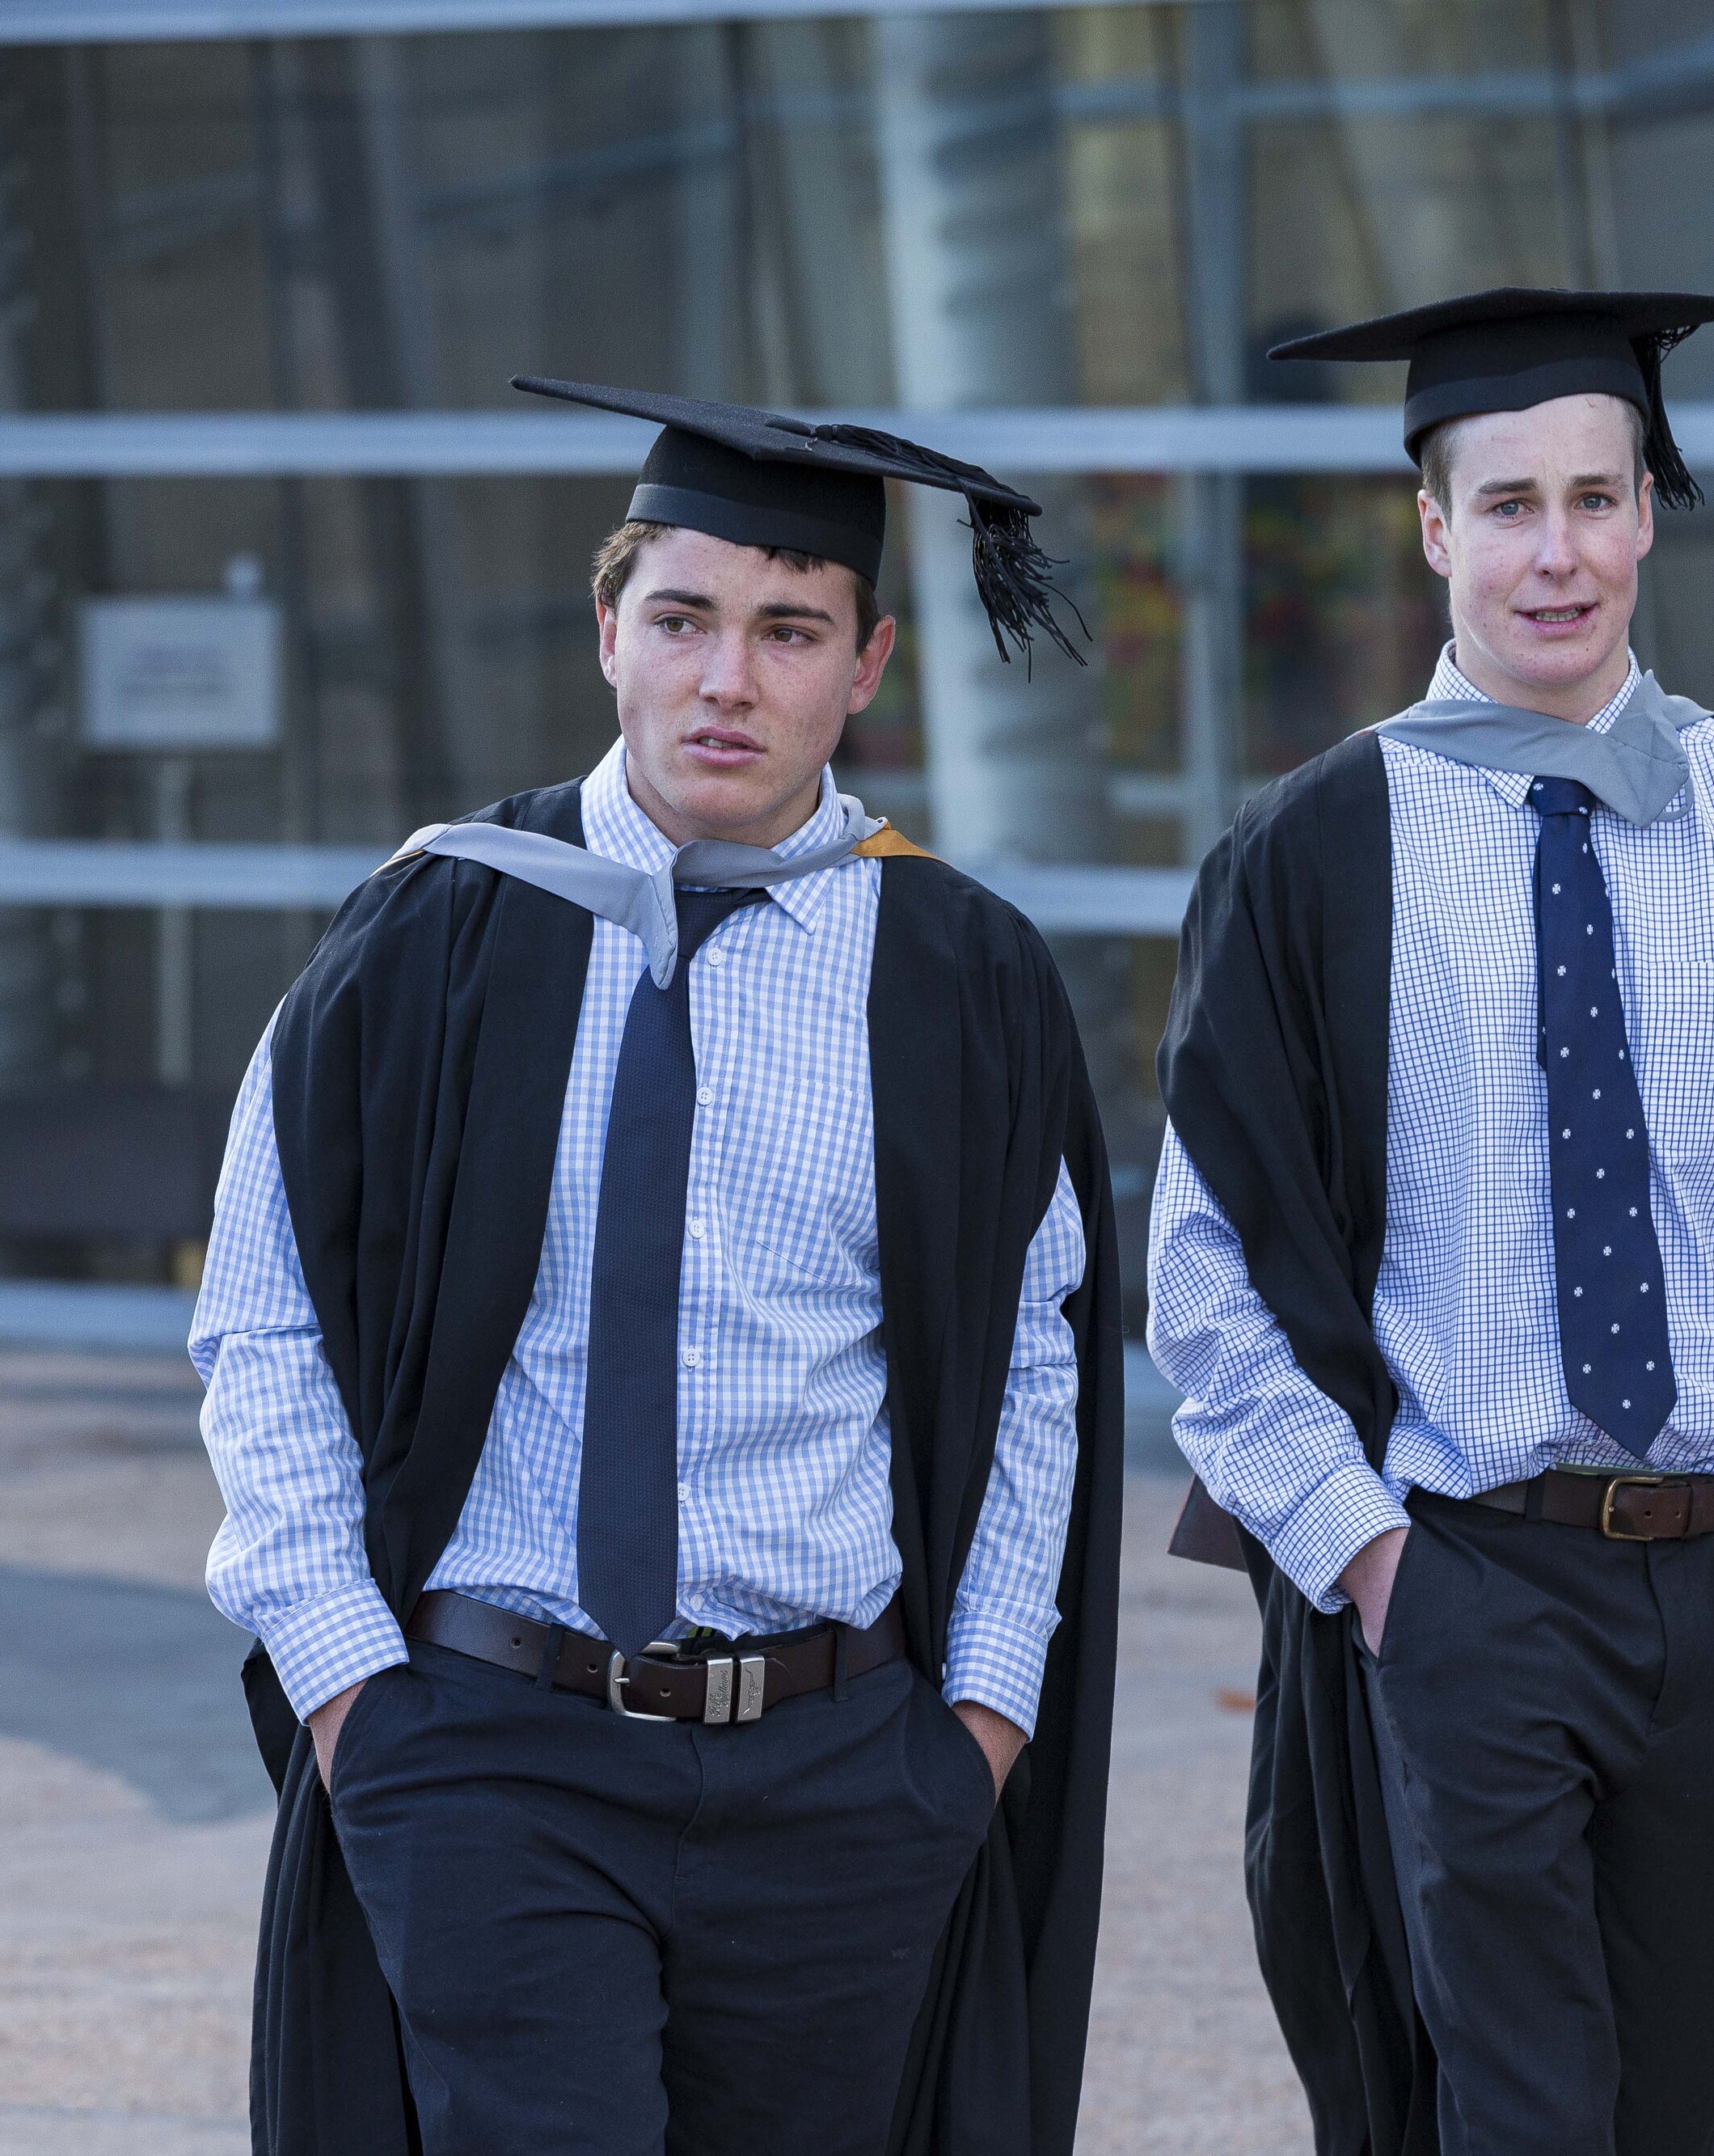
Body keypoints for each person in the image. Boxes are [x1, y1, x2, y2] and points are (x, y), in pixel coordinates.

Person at [192, 378, 1124, 2156]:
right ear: (608, 625)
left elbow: (1033, 1370)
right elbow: (266, 1312)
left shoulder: (956, 977)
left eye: (789, 630)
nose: (727, 678)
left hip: (840, 1770)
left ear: (865, 666)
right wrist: (350, 1702)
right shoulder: (439, 927)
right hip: (493, 1745)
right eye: (685, 619)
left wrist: (979, 1727)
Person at [1148, 287, 1714, 2156]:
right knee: (1509, 2123)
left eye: (1595, 497)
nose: (1557, 552)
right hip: (1469, 1585)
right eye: (1505, 504)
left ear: (1651, 511)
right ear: (1429, 527)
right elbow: (1207, 1270)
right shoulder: (1313, 855)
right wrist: (1373, 1570)